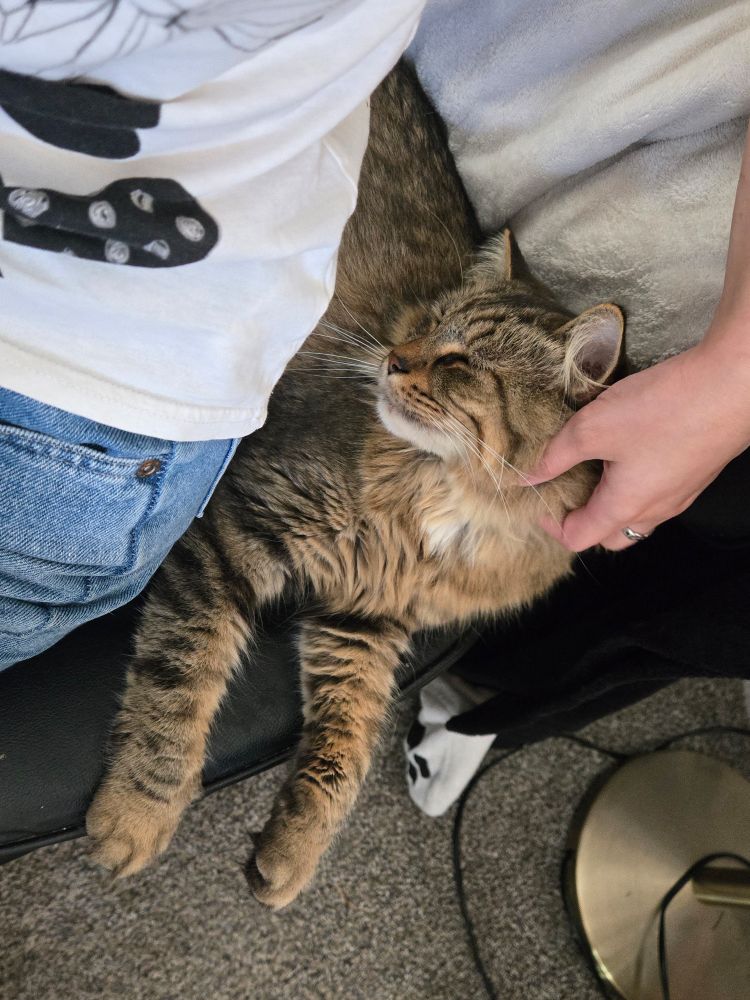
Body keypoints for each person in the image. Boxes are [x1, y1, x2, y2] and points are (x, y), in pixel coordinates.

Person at [1, 0, 748, 673]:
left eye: (453, 364)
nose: (400, 360)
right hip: (93, 420)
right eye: (432, 343)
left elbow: (366, 622)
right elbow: (240, 553)